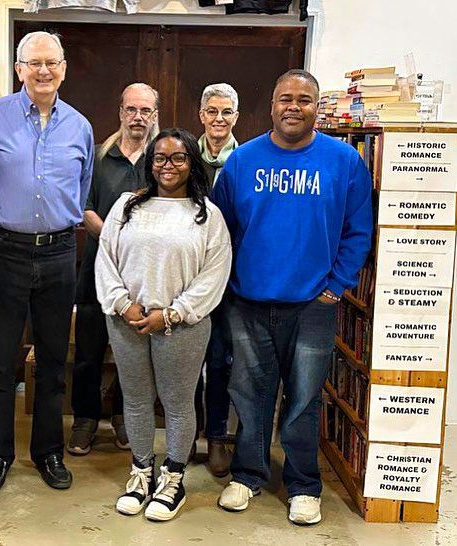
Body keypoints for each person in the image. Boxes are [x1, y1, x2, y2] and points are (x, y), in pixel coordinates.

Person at [214, 69, 372, 525]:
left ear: (316, 108)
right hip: (248, 301)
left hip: (312, 306)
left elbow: (358, 232)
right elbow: (219, 231)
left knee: (304, 398)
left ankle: (304, 485)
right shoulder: (242, 163)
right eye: (286, 98)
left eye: (304, 100)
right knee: (250, 392)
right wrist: (226, 287)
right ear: (271, 105)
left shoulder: (343, 162)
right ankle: (248, 476)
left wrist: (335, 288)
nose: (293, 107)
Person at [0, 31, 94, 492]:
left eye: (52, 63)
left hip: (60, 251)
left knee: (55, 359)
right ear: (19, 68)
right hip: (4, 252)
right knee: (1, 360)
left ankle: (48, 453)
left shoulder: (79, 126)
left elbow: (80, 192)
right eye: (34, 63)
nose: (43, 71)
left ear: (64, 68)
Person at [96, 128, 232, 521]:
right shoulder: (126, 206)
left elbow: (214, 275)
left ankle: (173, 478)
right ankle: (141, 472)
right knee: (135, 400)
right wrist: (123, 304)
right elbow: (105, 259)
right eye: (159, 158)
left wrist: (172, 313)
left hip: (181, 325)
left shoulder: (207, 215)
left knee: (176, 403)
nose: (167, 166)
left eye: (178, 158)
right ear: (149, 163)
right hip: (127, 320)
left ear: (192, 163)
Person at [67, 82, 159, 456]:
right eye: (131, 109)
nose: (138, 117)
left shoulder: (161, 160)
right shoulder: (98, 156)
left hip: (143, 278)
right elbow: (84, 209)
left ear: (155, 116)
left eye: (146, 111)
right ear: (120, 112)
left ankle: (123, 416)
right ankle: (85, 420)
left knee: (133, 352)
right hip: (95, 272)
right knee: (88, 351)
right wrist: (114, 239)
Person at [194, 83, 240, 476]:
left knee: (222, 360)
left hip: (229, 280)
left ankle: (217, 438)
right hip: (187, 278)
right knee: (187, 360)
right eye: (212, 111)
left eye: (227, 112)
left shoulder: (246, 162)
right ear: (201, 115)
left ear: (235, 118)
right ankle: (187, 433)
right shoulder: (184, 157)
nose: (219, 119)